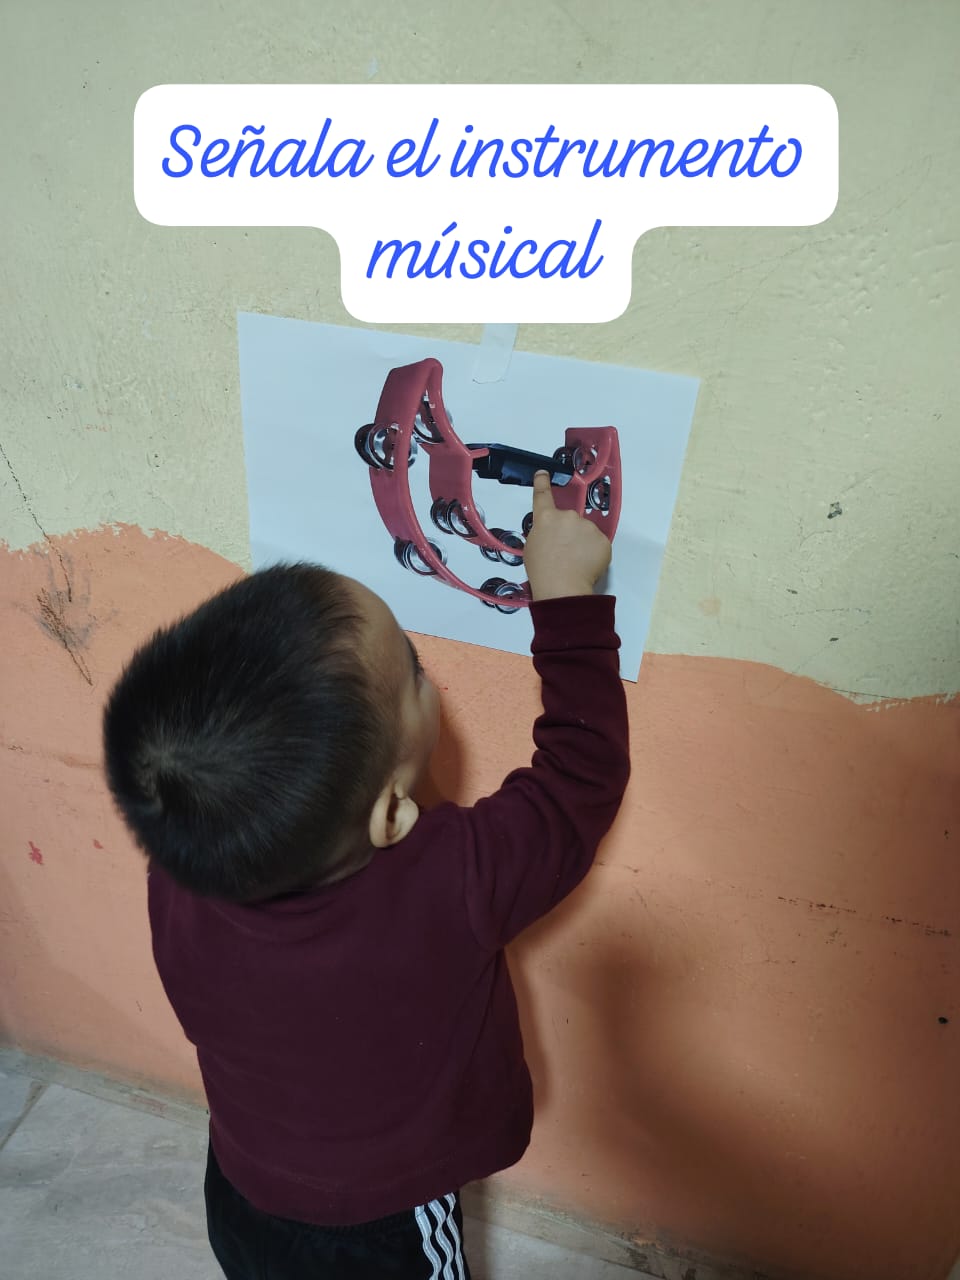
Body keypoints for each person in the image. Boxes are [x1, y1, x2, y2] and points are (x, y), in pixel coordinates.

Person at [103, 470, 630, 1279]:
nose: (428, 675)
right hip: (384, 1234)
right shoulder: (454, 879)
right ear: (389, 814)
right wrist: (567, 602)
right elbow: (578, 779)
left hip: (241, 1191)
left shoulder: (182, 862)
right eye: (415, 672)